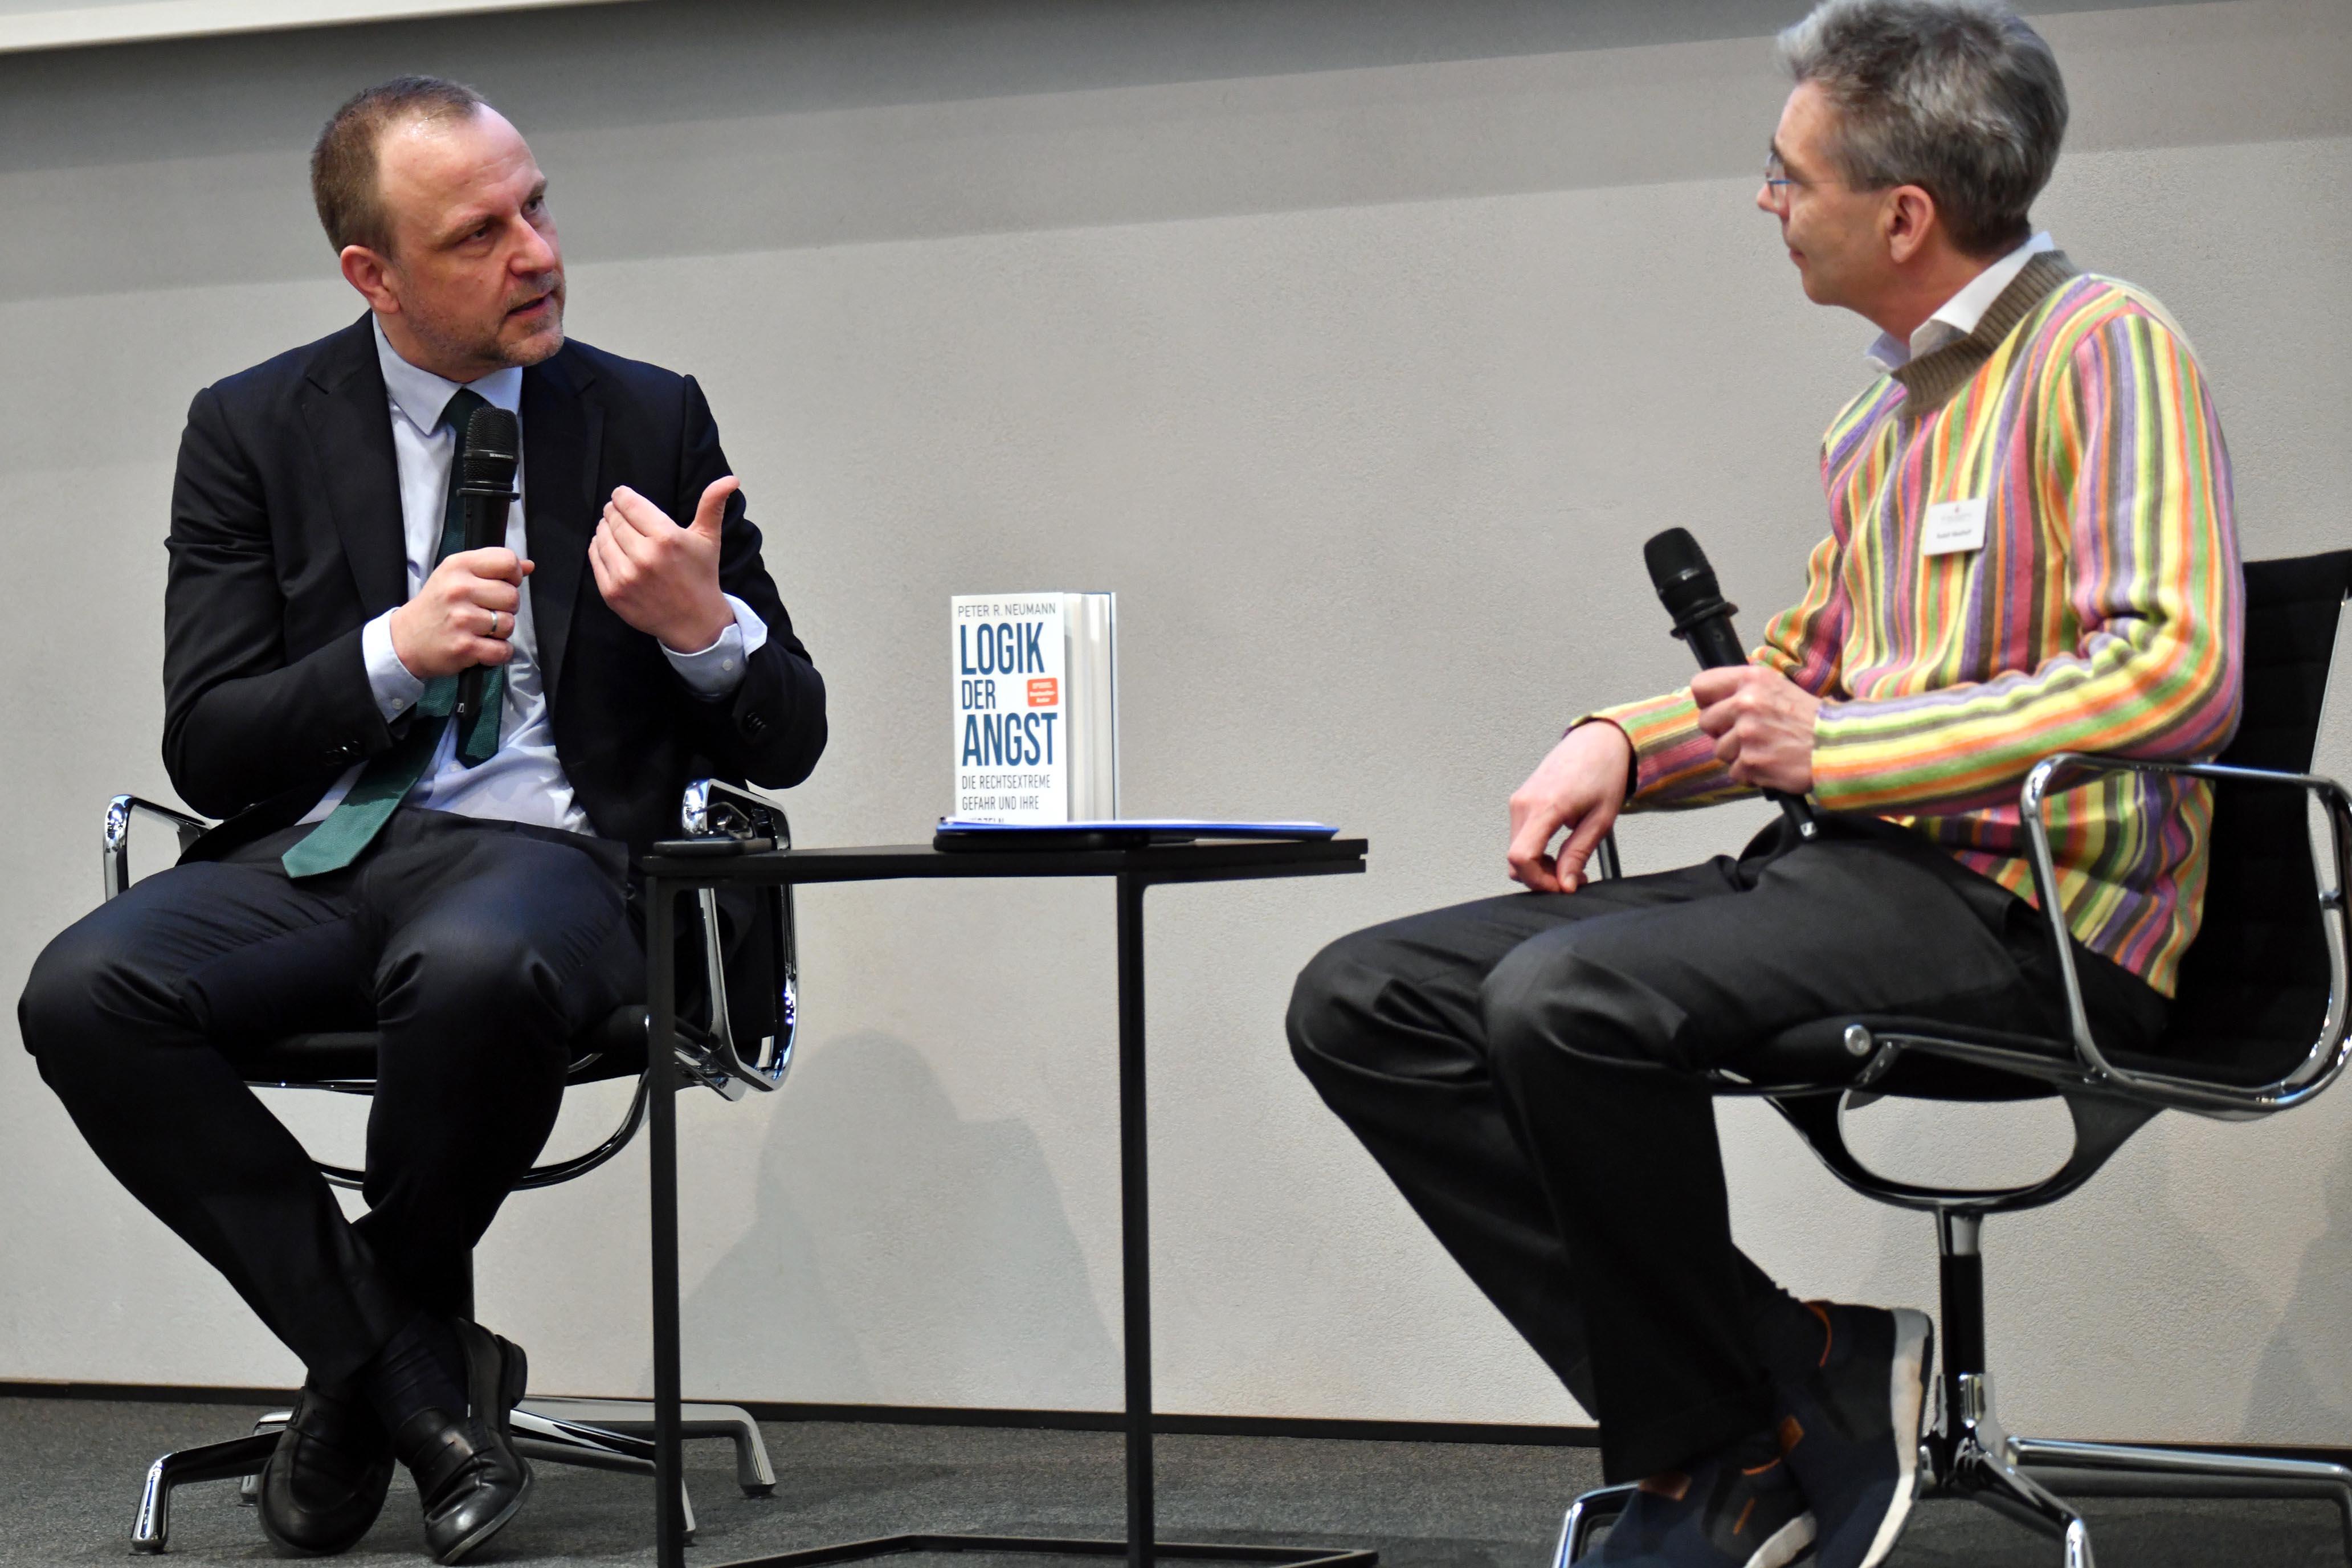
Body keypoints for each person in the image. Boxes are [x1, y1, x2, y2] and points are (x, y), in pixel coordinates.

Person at [1286, 3, 2238, 1566]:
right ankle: (1782, 1385)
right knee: (1364, 999)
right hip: (1855, 880)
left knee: (1569, 997)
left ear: (1904, 212)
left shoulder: (2104, 349)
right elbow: (1791, 679)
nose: (1766, 200)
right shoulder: (1884, 415)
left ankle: (1723, 1462)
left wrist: (1846, 753)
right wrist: (1622, 740)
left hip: (2030, 914)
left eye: (1788, 173)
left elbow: (2177, 671)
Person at [16, 77, 824, 1563]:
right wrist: (394, 651)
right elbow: (207, 733)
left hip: (553, 855)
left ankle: (361, 1378)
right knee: (83, 992)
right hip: (320, 854)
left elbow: (796, 734)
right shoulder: (250, 426)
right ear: (371, 275)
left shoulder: (645, 412)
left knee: (470, 969)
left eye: (536, 206)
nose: (535, 253)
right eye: (478, 233)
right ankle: (415, 1374)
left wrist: (708, 633)